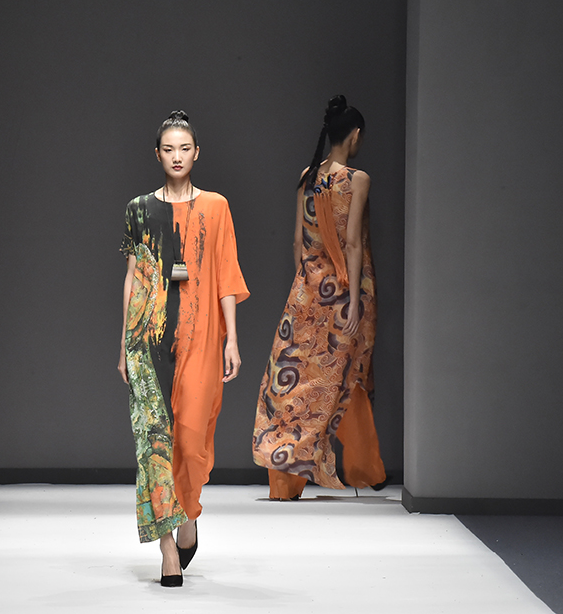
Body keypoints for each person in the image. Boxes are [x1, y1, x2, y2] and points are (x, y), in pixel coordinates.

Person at [118, 110, 249, 587]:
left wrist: (232, 338)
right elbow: (133, 277)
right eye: (169, 149)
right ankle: (168, 548)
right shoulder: (138, 209)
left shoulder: (216, 206)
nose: (177, 156)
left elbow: (227, 274)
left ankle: (189, 513)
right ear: (157, 154)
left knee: (192, 442)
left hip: (200, 336)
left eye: (185, 148)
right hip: (146, 338)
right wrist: (123, 344)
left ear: (197, 153)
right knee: (154, 445)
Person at [252, 95, 386, 500]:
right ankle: (364, 468)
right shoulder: (357, 180)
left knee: (295, 379)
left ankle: (285, 479)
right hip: (345, 293)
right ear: (356, 135)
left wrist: (305, 288)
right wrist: (354, 300)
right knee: (346, 375)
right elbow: (352, 243)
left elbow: (298, 242)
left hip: (307, 290)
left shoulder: (307, 176)